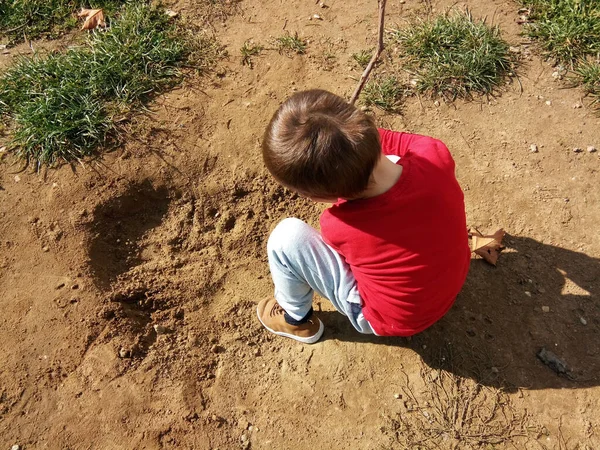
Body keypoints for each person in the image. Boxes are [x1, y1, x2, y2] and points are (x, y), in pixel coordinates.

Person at [257, 89, 471, 344]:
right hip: (450, 285)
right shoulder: (433, 153)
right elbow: (383, 142)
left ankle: (297, 320)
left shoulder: (340, 225)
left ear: (316, 197)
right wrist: (343, 138)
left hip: (392, 319)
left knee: (286, 239)